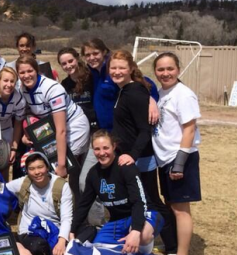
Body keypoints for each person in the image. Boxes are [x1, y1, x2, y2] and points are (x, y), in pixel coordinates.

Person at [109, 50, 177, 254]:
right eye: (113, 68)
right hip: (129, 157)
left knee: (153, 202)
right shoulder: (124, 90)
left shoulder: (135, 92)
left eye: (122, 67)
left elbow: (144, 130)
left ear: (131, 69)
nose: (117, 71)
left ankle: (172, 246)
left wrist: (133, 155)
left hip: (141, 159)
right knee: (141, 201)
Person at [70, 130, 163, 255]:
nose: (102, 153)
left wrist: (135, 230)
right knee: (99, 249)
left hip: (145, 213)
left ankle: (146, 252)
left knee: (143, 235)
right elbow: (84, 205)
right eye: (97, 149)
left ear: (114, 146)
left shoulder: (126, 167)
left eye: (105, 148)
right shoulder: (93, 174)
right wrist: (72, 229)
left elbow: (139, 201)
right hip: (117, 221)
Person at [152, 52, 202, 255]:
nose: (165, 73)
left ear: (178, 70)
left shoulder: (183, 94)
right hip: (165, 159)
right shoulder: (162, 93)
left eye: (170, 68)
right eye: (161, 69)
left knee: (181, 210)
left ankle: (182, 252)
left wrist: (179, 163)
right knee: (171, 204)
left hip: (179, 158)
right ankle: (174, 246)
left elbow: (189, 129)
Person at [16, 55, 90, 180]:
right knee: (45, 168)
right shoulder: (22, 87)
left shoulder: (52, 89)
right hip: (50, 128)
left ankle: (75, 196)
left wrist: (61, 164)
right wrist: (26, 135)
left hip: (73, 126)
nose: (26, 75)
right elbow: (31, 115)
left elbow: (61, 130)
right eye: (22, 72)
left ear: (37, 70)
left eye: (30, 71)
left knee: (64, 169)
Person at [81, 38, 159, 131]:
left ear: (104, 52)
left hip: (121, 128)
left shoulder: (114, 71)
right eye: (88, 55)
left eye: (95, 53)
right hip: (103, 128)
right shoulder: (91, 72)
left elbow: (144, 83)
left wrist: (152, 101)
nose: (92, 58)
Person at [6, 152, 72, 255]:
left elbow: (66, 217)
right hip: (29, 231)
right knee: (39, 247)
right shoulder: (24, 183)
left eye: (40, 167)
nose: (37, 172)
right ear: (27, 171)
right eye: (31, 169)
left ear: (47, 167)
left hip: (54, 230)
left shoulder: (61, 186)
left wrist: (62, 241)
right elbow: (1, 189)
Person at [0, 67, 25, 179]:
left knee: (4, 165)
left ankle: (2, 191)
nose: (9, 84)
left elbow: (18, 123)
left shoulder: (18, 99)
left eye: (12, 81)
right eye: (5, 80)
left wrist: (14, 147)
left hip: (6, 128)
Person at [57, 47, 97, 133]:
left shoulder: (91, 77)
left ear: (77, 58)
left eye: (71, 61)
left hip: (95, 126)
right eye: (64, 64)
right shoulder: (64, 84)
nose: (68, 66)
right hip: (76, 127)